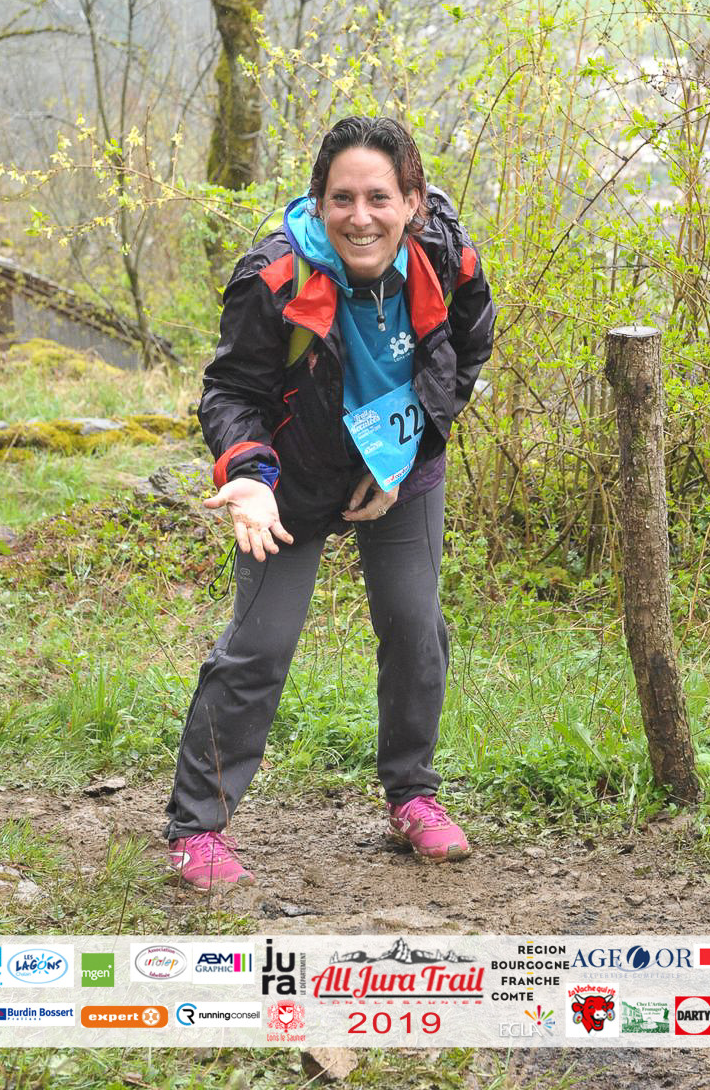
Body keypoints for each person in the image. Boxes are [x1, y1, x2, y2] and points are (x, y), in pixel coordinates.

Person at [165, 115, 495, 888]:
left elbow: (464, 355)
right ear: (318, 202)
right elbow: (231, 391)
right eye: (341, 198)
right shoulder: (274, 277)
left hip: (399, 468)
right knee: (259, 646)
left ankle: (412, 796)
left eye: (379, 197)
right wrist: (249, 476)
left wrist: (404, 455)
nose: (360, 216)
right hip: (292, 478)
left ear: (412, 201)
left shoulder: (449, 258)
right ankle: (196, 828)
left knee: (416, 628)